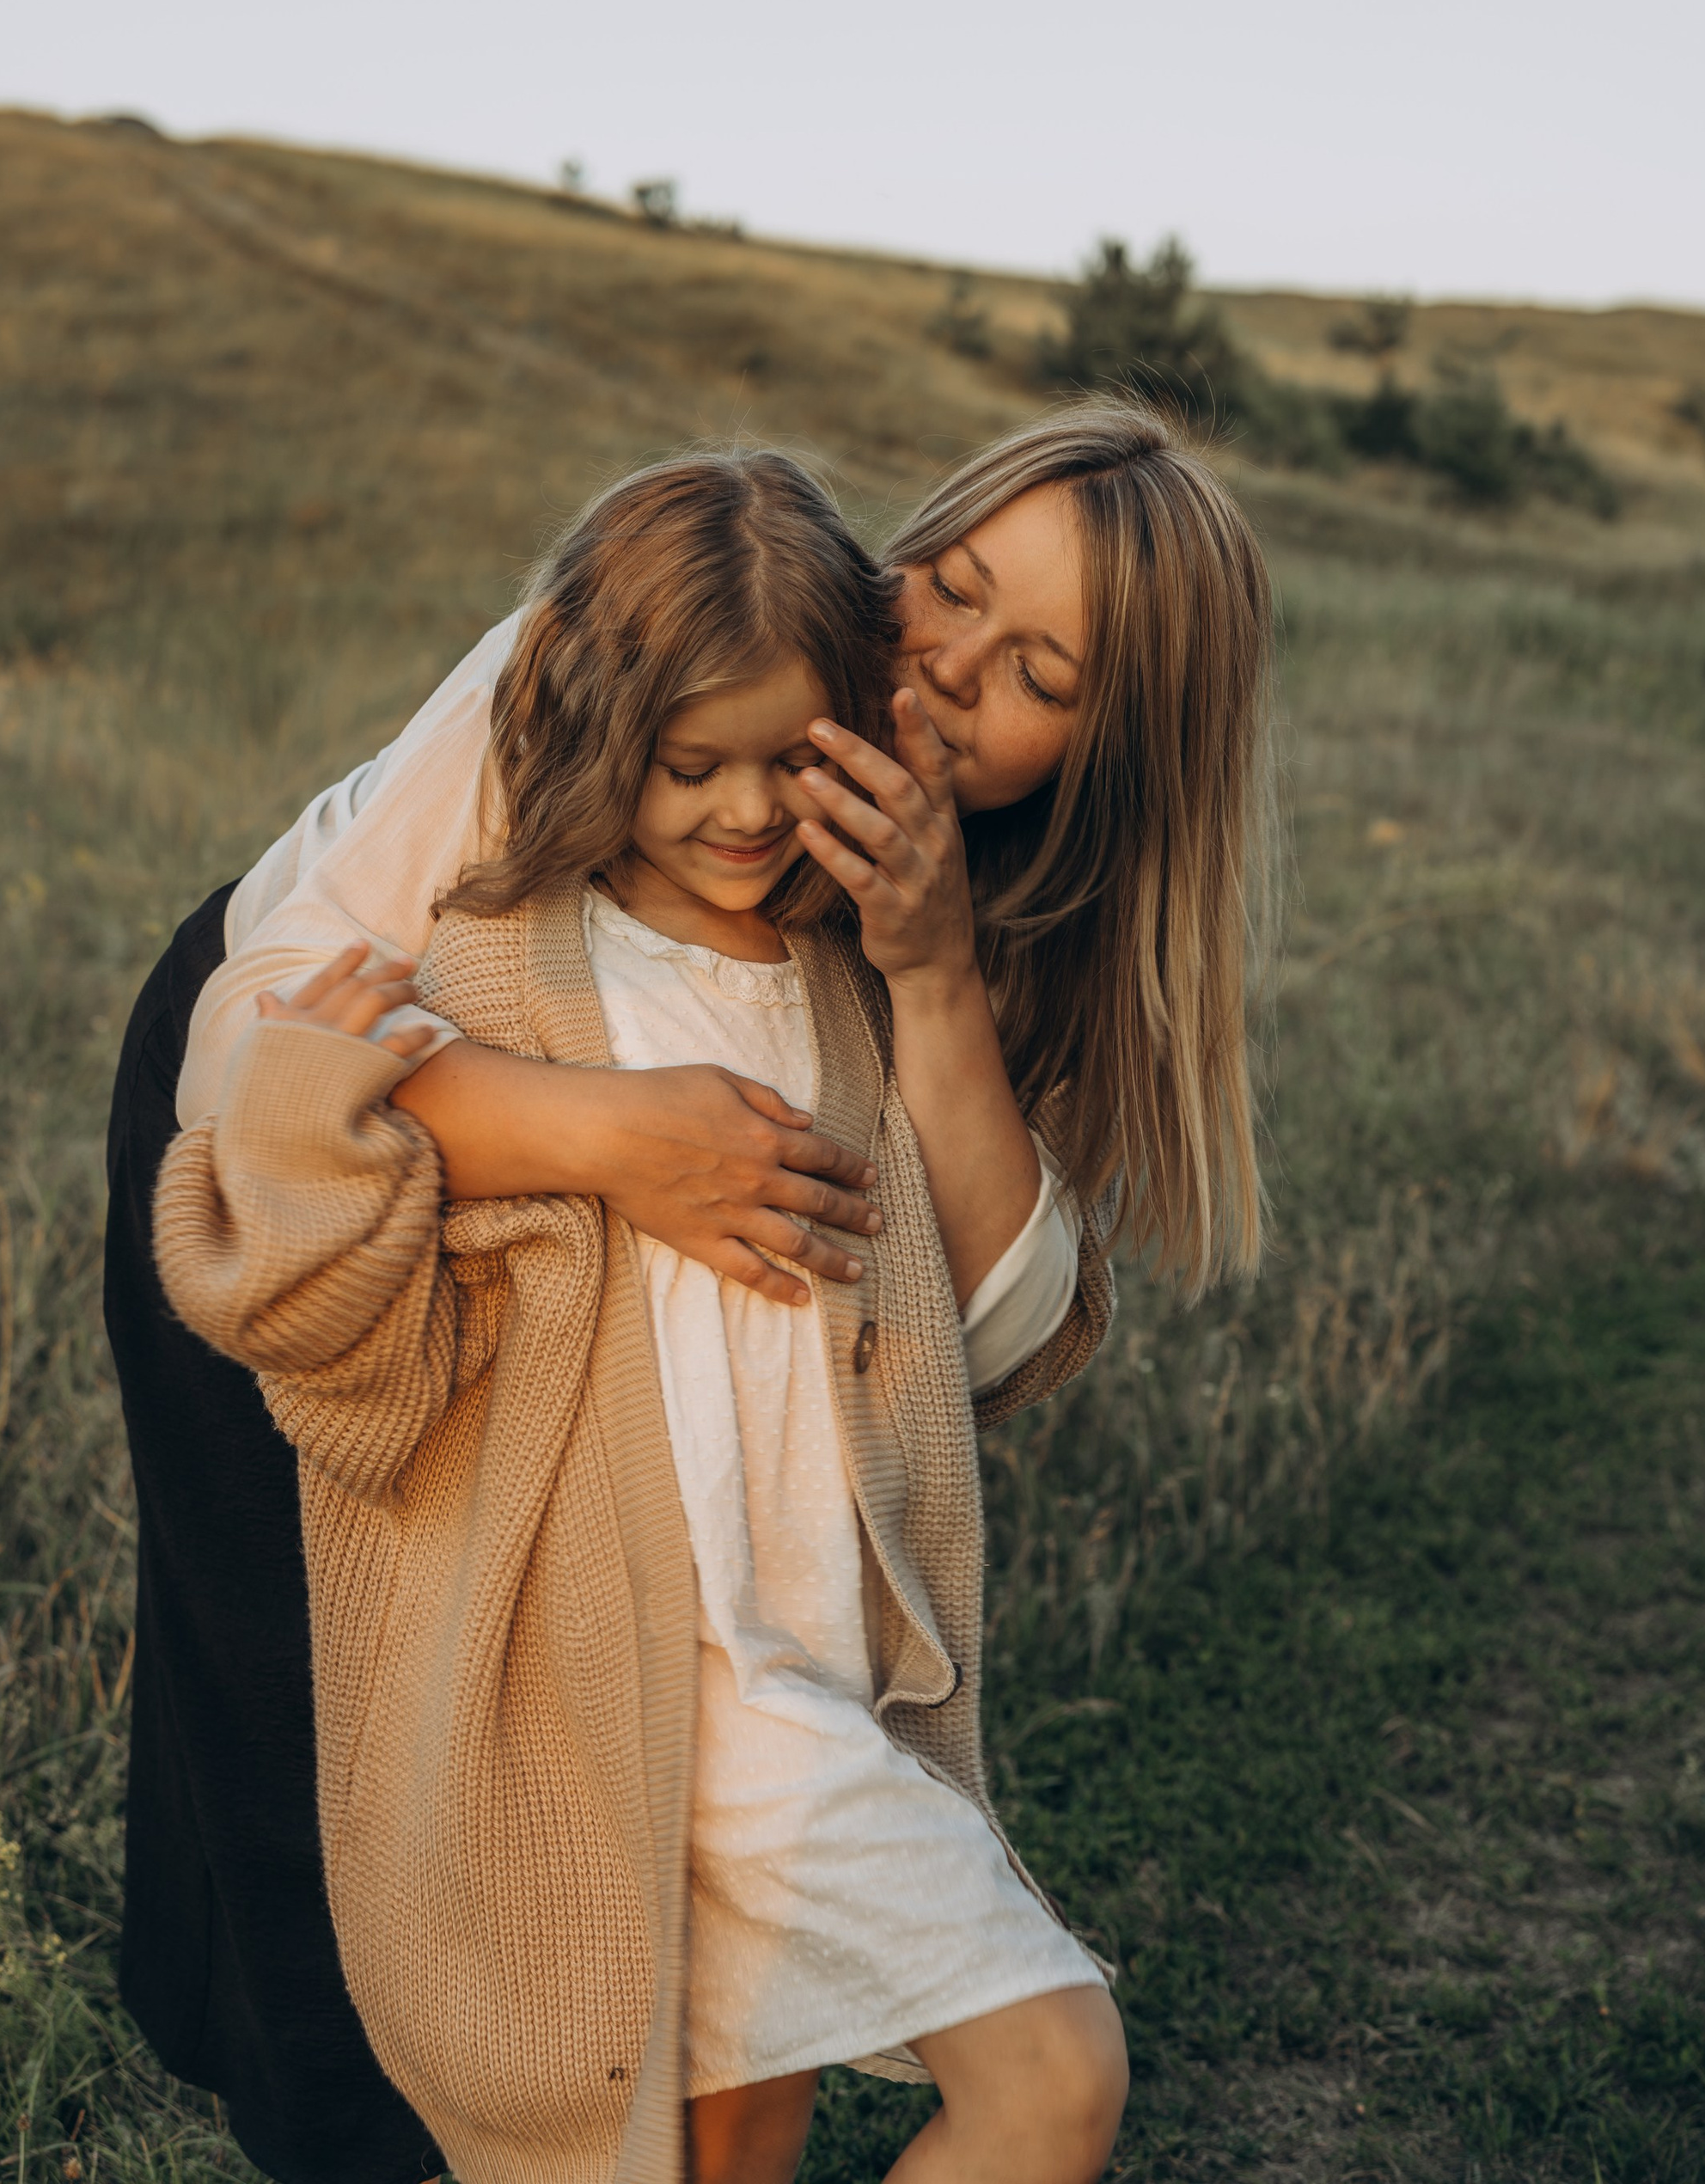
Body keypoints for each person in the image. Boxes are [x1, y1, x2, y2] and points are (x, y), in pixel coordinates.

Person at [102, 401, 1272, 2182]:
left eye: (1033, 665)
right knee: (344, 1729)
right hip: (295, 1115)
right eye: (944, 583)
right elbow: (246, 1052)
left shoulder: (981, 900)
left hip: (651, 1445)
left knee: (667, 1910)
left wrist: (935, 971)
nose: (946, 665)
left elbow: (988, 1331)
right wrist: (607, 1135)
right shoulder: (663, 658)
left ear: (1112, 750)